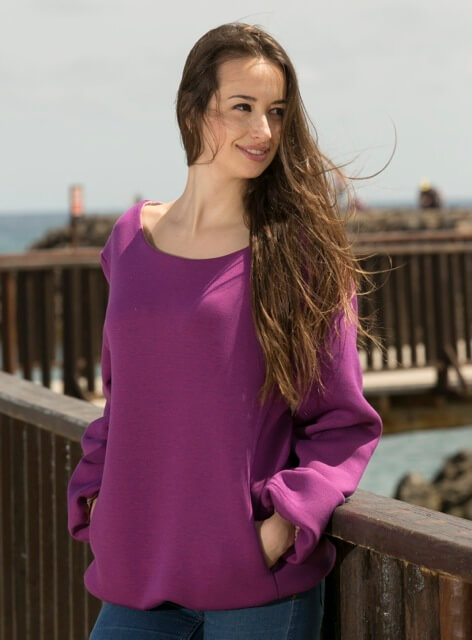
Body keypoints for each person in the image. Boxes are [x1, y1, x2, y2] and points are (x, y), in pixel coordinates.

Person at [67, 21, 383, 639]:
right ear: (193, 109)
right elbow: (121, 394)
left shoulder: (300, 253)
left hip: (255, 590)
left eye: (276, 111)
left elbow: (341, 421)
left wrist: (279, 530)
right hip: (136, 577)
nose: (263, 130)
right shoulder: (129, 240)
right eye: (242, 107)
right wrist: (99, 501)